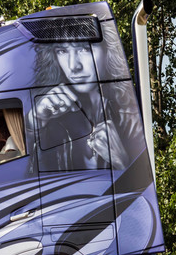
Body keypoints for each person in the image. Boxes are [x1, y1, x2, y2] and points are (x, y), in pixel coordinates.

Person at [32, 28, 140, 171]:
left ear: (108, 51)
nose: (73, 66)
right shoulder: (49, 118)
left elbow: (144, 189)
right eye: (62, 51)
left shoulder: (132, 120)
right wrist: (33, 123)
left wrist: (121, 161)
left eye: (84, 49)